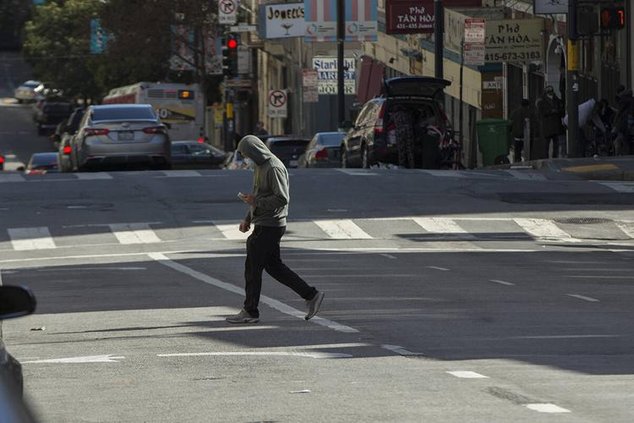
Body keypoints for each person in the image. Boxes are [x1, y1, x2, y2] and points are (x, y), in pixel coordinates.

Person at [226, 135, 325, 324]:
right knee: (274, 267)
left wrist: (256, 202)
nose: (245, 159)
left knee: (253, 269)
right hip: (263, 222)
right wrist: (248, 217)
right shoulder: (260, 167)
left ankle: (250, 311)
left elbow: (281, 198)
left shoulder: (273, 167)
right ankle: (311, 295)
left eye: (246, 155)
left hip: (271, 225)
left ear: (254, 151)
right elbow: (258, 195)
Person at [536, 86, 565, 159]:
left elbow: (561, 110)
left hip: (555, 125)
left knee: (555, 143)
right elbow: (541, 113)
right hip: (547, 126)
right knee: (547, 144)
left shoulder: (557, 100)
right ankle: (546, 157)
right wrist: (551, 111)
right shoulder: (541, 102)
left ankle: (554, 157)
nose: (550, 93)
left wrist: (557, 111)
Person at [611, 86, 634, 156]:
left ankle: (619, 152)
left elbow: (619, 112)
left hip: (625, 121)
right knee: (627, 137)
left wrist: (615, 123)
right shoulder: (632, 99)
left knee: (622, 137)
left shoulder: (623, 100)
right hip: (631, 120)